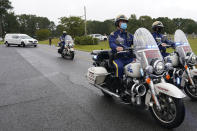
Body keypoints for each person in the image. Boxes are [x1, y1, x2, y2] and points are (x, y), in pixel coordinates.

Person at [109, 14, 134, 79]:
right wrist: (116, 47)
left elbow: (137, 42)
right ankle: (118, 85)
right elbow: (111, 43)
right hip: (118, 58)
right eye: (122, 22)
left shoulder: (129, 35)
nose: (124, 23)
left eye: (125, 22)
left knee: (139, 66)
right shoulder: (114, 34)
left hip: (129, 58)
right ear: (117, 23)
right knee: (119, 67)